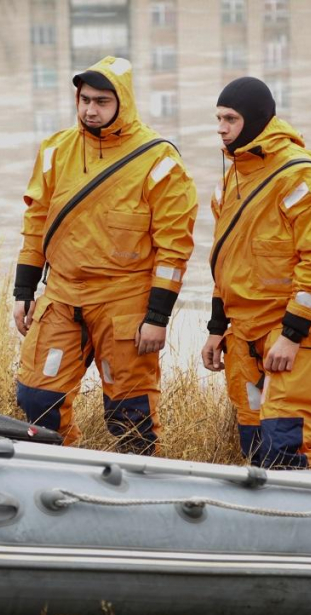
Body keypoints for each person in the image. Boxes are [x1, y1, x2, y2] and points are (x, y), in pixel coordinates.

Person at [13, 56, 198, 455]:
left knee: (130, 417)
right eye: (84, 100)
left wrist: (157, 317)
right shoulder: (56, 150)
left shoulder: (159, 161)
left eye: (101, 101)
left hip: (124, 305)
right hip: (61, 297)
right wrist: (23, 289)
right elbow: (36, 224)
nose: (90, 110)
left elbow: (174, 247)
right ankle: (62, 468)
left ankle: (140, 489)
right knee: (36, 399)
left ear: (122, 103)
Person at [201, 77, 311, 469]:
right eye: (218, 118)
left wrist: (292, 334)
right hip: (243, 335)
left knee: (285, 446)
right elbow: (225, 263)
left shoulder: (305, 177)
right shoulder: (231, 180)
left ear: (255, 120)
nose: (221, 127)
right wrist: (217, 328)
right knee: (253, 445)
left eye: (229, 118)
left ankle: (305, 523)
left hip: (291, 335)